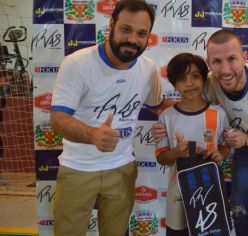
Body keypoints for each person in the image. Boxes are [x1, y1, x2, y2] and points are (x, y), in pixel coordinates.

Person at [152, 29, 248, 236]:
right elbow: (187, 103)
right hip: (246, 148)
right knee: (239, 206)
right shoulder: (208, 83)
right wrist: (163, 122)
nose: (225, 69)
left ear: (244, 57)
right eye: (217, 61)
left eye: (232, 59)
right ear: (209, 63)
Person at [50, 1, 170, 235]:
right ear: (112, 25)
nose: (132, 40)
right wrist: (93, 135)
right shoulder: (77, 63)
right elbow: (58, 118)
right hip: (78, 168)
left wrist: (199, 109)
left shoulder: (149, 68)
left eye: (141, 33)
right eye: (126, 29)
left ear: (148, 36)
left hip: (122, 168)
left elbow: (159, 106)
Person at [155, 53, 231, 236]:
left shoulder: (218, 113)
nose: (189, 83)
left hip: (210, 191)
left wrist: (222, 154)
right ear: (174, 84)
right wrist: (176, 153)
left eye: (195, 76)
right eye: (182, 78)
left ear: (204, 80)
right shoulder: (166, 117)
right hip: (178, 194)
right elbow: (162, 159)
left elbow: (227, 145)